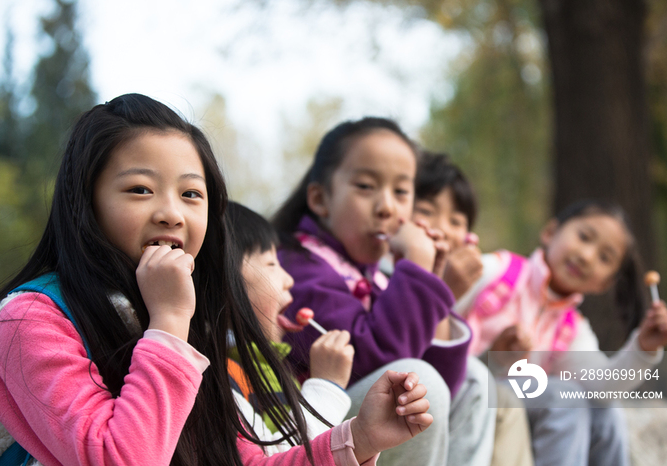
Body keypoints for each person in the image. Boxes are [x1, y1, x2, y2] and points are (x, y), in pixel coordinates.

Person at [0, 94, 433, 466]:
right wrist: (170, 320)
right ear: (85, 202)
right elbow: (123, 459)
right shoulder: (29, 321)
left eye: (191, 194)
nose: (171, 213)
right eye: (140, 189)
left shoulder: (182, 324)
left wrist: (362, 436)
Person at [272, 117, 494, 466]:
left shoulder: (373, 275)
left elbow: (443, 391)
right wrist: (419, 269)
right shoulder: (297, 266)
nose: (387, 206)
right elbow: (377, 366)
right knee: (413, 386)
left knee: (476, 379)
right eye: (365, 186)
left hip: (354, 425)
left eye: (401, 191)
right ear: (319, 198)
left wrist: (434, 283)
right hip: (305, 434)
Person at [455, 199, 667, 466]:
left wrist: (644, 348)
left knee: (606, 411)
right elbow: (437, 325)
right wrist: (496, 356)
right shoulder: (495, 272)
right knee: (563, 397)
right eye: (584, 237)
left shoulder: (572, 329)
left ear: (605, 284)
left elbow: (603, 386)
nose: (586, 256)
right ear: (550, 232)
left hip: (523, 411)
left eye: (604, 257)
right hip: (468, 389)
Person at [412, 149, 534, 466]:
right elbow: (410, 358)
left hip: (442, 396)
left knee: (503, 397)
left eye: (456, 220)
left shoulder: (459, 286)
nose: (442, 228)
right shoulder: (388, 276)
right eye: (426, 210)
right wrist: (444, 291)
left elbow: (450, 367)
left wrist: (495, 358)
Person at [226, 200, 354, 448]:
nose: (288, 279)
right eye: (272, 264)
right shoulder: (226, 378)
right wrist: (326, 386)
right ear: (226, 282)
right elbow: (283, 456)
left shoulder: (274, 369)